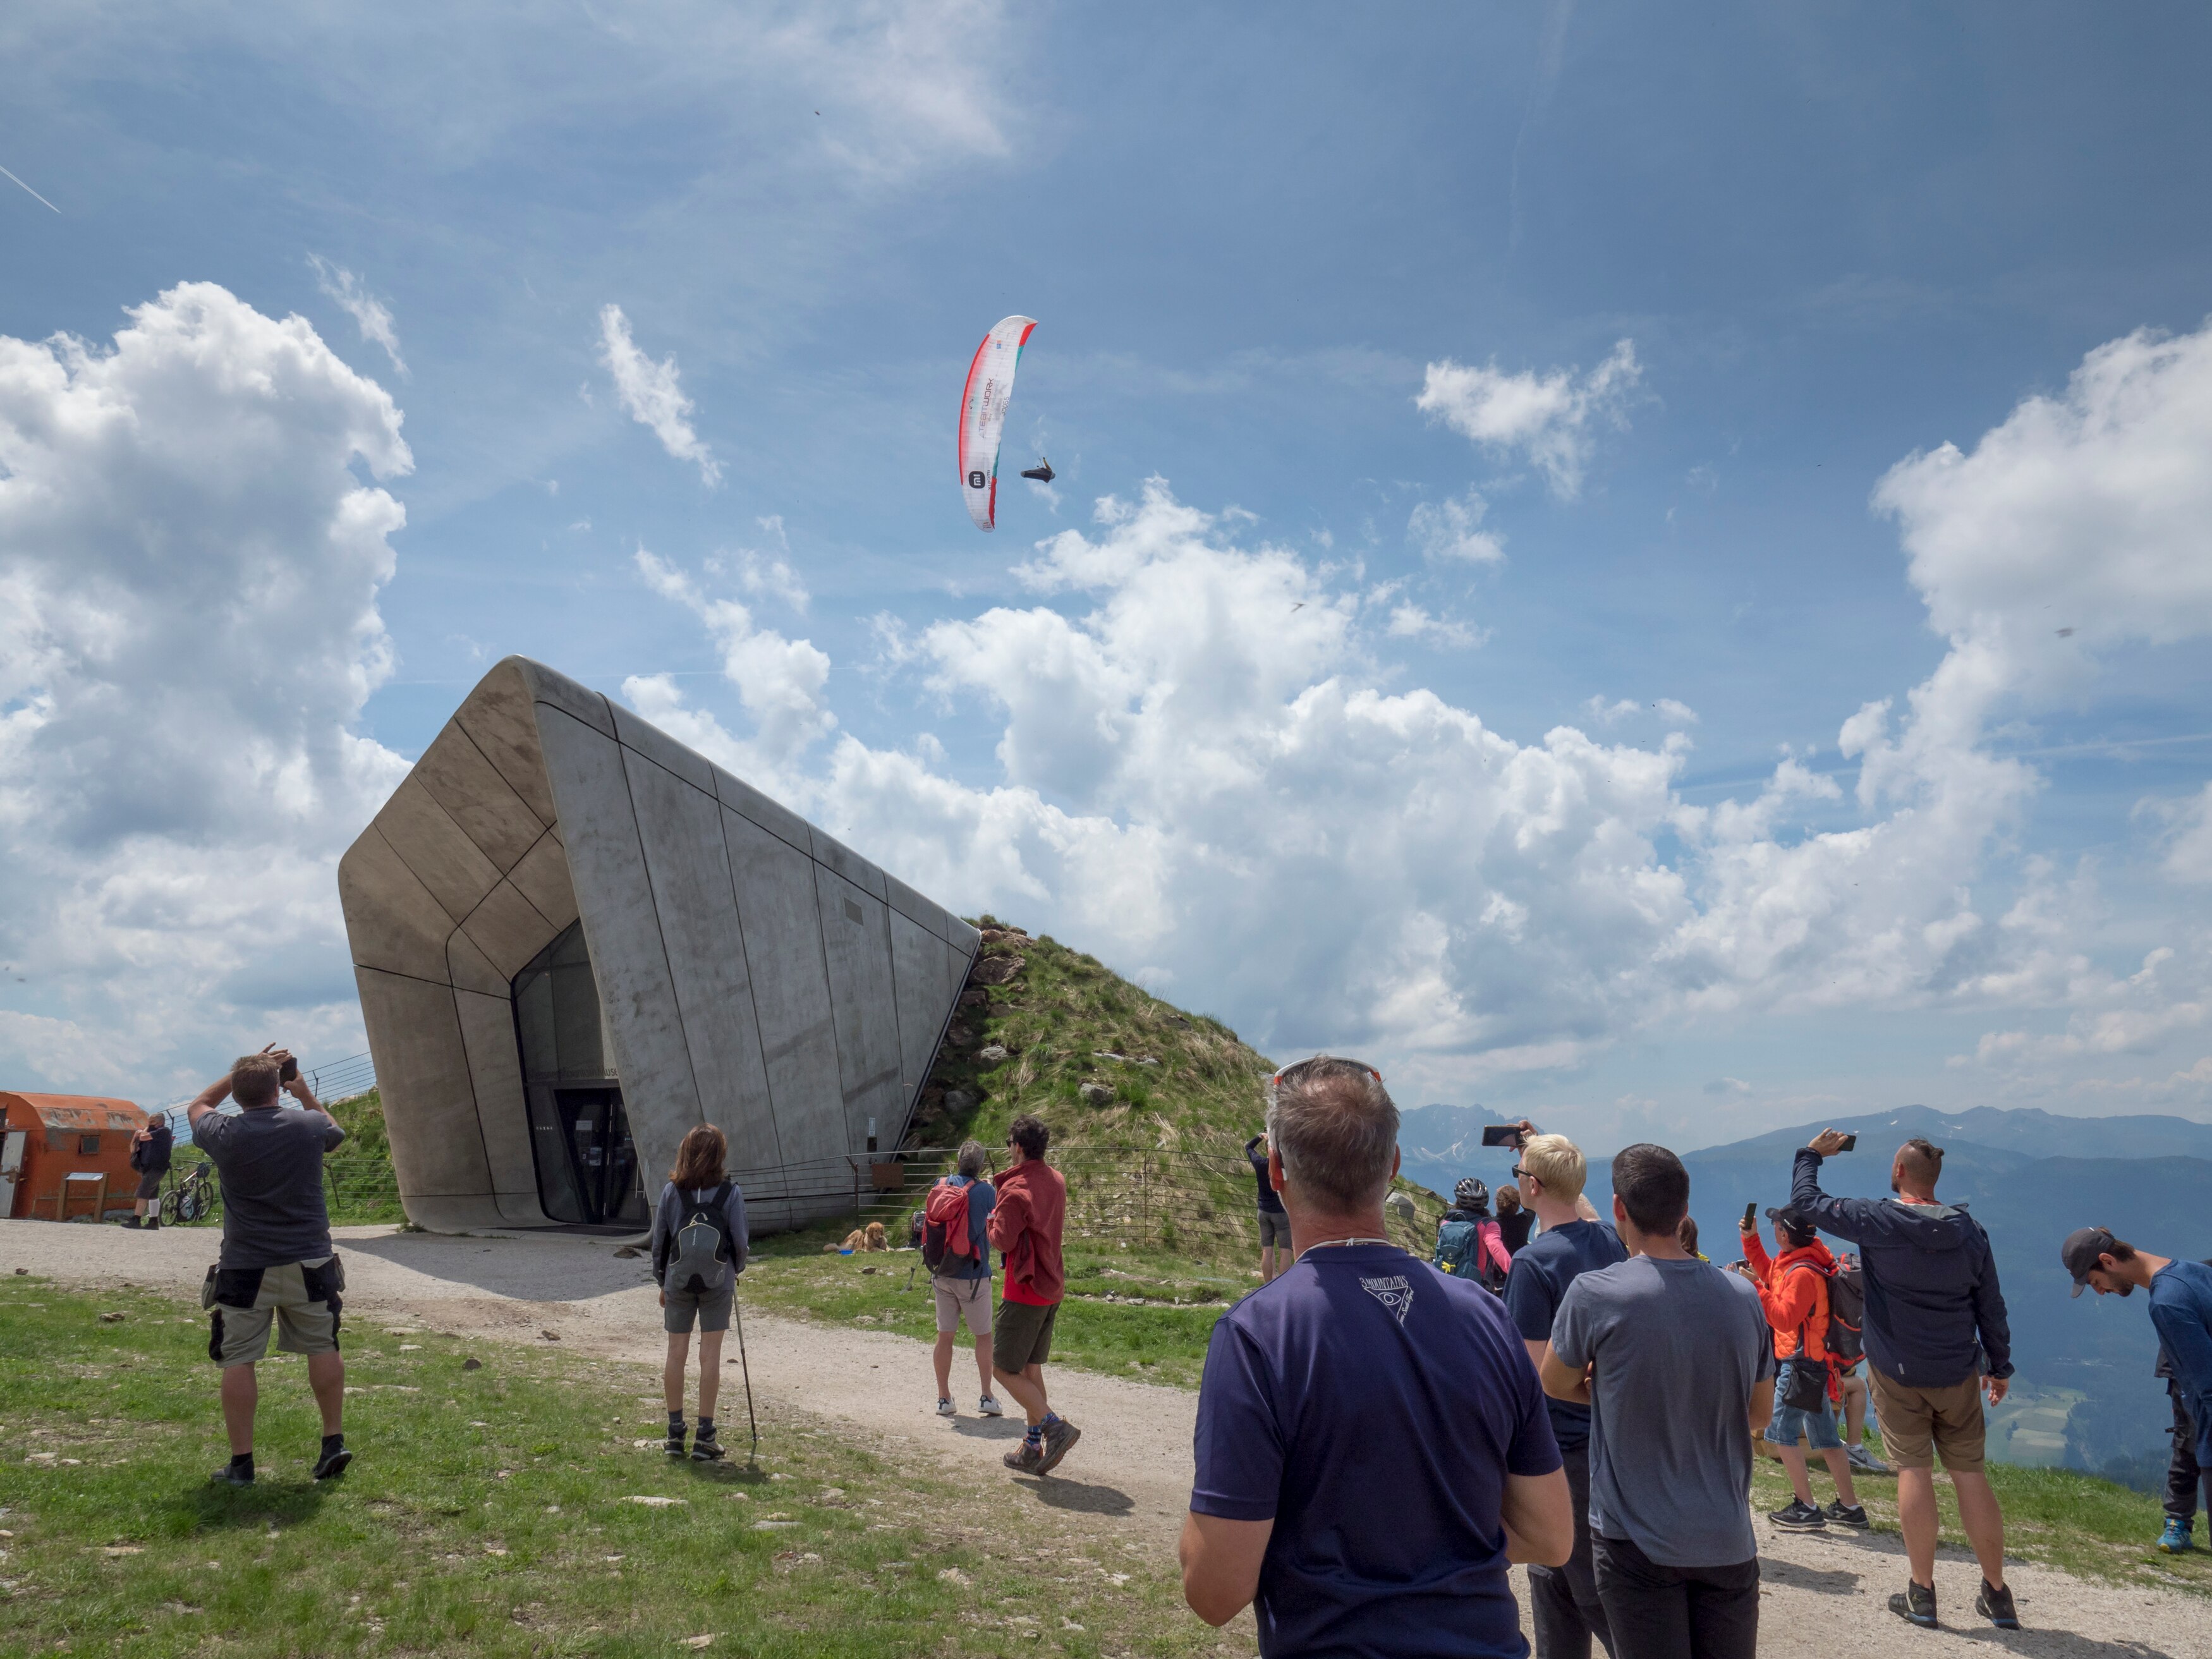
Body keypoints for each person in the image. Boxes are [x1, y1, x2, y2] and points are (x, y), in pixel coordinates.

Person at [1182, 1057, 1571, 1656]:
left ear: (1278, 1170)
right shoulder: (1487, 1316)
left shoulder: (1256, 1334)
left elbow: (1215, 1592)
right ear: (1392, 1167)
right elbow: (1552, 1536)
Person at [1542, 1145, 1774, 1659]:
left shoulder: (1595, 1293)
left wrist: (1607, 1391)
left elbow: (1554, 1382)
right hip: (1727, 1538)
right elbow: (1760, 1414)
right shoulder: (1743, 1297)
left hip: (1634, 1540)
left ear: (1619, 1209)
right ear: (1684, 1210)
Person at [1794, 1131, 2017, 1631]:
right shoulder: (1970, 1230)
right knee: (1971, 1476)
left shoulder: (1879, 1218)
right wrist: (1999, 1366)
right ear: (1935, 1179)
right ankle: (1998, 1595)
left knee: (1914, 1472)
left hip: (1897, 1372)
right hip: (1958, 1370)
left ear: (1898, 1172)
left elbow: (1806, 1203)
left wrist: (1810, 1155)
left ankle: (1922, 1592)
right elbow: (1991, 1305)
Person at [183, 1047, 351, 1486]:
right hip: (309, 1258)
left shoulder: (223, 1131)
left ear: (237, 1095)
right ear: (279, 1088)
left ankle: (242, 1464)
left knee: (238, 1358)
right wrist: (304, 1093)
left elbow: (197, 1106)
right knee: (323, 1346)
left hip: (244, 1263)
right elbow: (337, 1131)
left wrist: (240, 1072)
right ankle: (332, 1441)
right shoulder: (309, 1125)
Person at [1502, 1128, 1624, 1659]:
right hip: (1609, 1436)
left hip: (1559, 1445)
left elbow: (1532, 1372)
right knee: (1556, 1583)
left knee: (1585, 1585)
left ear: (1531, 1187)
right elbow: (1583, 1210)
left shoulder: (1534, 1263)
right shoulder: (1609, 1241)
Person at [2061, 1229, 2212, 1555]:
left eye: (2094, 1282)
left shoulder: (2167, 1301)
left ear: (2107, 1261)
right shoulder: (2195, 1272)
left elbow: (2208, 1385)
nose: (2099, 1292)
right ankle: (2178, 1521)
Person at [1739, 1206, 1864, 1531]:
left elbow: (1783, 1318)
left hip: (1801, 1365)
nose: (1774, 1231)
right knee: (1826, 1437)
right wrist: (1750, 1240)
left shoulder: (1803, 1274)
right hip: (1814, 1363)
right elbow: (1770, 1273)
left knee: (1780, 1432)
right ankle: (1850, 1507)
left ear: (1784, 1234)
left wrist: (1756, 1289)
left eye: (1775, 1227)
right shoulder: (1801, 1262)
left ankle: (1806, 1508)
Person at [648, 1124, 748, 1462]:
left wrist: (661, 1281)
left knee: (676, 1352)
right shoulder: (730, 1193)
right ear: (719, 1155)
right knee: (710, 1355)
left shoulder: (670, 1192)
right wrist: (736, 1270)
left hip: (677, 1278)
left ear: (685, 1152)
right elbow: (741, 1241)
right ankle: (705, 1436)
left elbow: (660, 1241)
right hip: (718, 1280)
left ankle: (675, 1434)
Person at [989, 1114, 1078, 1474]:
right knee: (1030, 1367)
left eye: (1009, 1143)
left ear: (1019, 1147)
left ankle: (1054, 1427)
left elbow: (1003, 1240)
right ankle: (1031, 1446)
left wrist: (991, 1223)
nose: (1008, 1149)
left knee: (1003, 1370)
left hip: (1023, 1289)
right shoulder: (1056, 1180)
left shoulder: (1014, 1190)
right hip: (1051, 1285)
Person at [928, 1138, 1004, 1419]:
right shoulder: (986, 1192)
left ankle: (943, 1398)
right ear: (981, 1165)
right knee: (983, 1336)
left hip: (943, 1271)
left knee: (944, 1336)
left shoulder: (941, 1183)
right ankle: (986, 1395)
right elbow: (995, 1222)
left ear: (958, 1161)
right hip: (974, 1274)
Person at [1830, 1251, 1891, 1474]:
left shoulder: (1830, 1280)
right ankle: (1852, 1446)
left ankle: (1832, 1442)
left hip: (1815, 1366)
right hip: (1843, 1365)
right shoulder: (1870, 1289)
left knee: (1842, 1382)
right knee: (1856, 1386)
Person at [1433, 1177, 1512, 1292]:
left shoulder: (1446, 1223)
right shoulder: (1488, 1226)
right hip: (1476, 1288)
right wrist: (1514, 1271)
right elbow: (1496, 1248)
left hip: (1446, 1283)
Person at [1245, 1130, 1289, 1283]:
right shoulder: (1282, 1166)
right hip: (1280, 1213)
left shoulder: (1259, 1163)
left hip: (1263, 1211)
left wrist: (1259, 1136)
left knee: (1267, 1250)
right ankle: (1283, 1284)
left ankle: (1268, 1284)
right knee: (1285, 1252)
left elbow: (1248, 1147)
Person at [125, 1109, 174, 1231]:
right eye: (149, 1121)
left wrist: (142, 1132)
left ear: (160, 1122)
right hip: (147, 1168)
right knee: (152, 1195)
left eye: (152, 1121)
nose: (150, 1124)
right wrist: (135, 1136)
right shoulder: (147, 1135)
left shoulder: (163, 1131)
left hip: (158, 1168)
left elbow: (144, 1137)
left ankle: (136, 1219)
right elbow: (133, 1150)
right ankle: (153, 1221)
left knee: (143, 1192)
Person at [1497, 1181, 1535, 1255]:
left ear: (1497, 1203)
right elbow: (1530, 1208)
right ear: (1517, 1205)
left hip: (1497, 1266)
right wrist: (1518, 1197)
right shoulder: (1524, 1221)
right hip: (1518, 1263)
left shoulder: (1492, 1224)